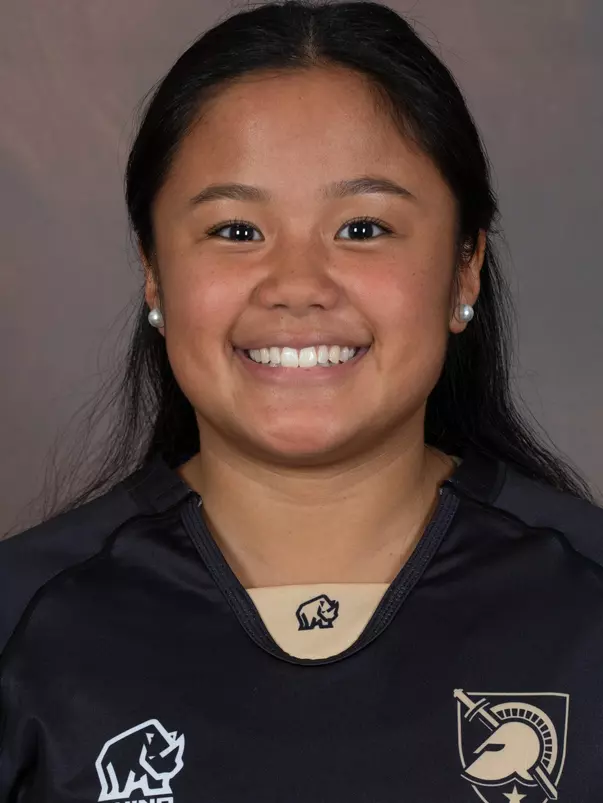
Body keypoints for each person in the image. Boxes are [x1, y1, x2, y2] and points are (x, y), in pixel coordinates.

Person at [1, 1, 602, 801]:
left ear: (465, 267)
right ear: (153, 271)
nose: (296, 287)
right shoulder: (24, 621)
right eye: (236, 231)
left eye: (361, 228)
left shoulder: (583, 596)